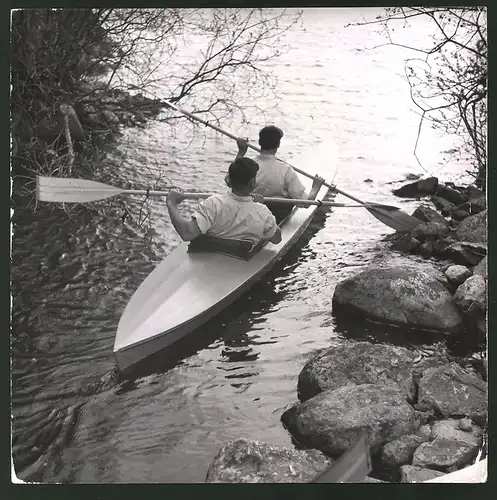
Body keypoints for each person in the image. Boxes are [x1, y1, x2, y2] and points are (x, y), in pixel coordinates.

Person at [166, 157, 282, 245]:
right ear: (252, 183)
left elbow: (187, 234)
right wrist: (258, 206)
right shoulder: (262, 212)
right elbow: (277, 239)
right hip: (240, 260)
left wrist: (171, 203)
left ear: (229, 180)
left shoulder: (213, 203)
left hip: (209, 260)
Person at [225, 126, 326, 222]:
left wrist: (241, 152)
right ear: (278, 145)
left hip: (247, 213)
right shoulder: (286, 170)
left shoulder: (247, 165)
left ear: (260, 142)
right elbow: (305, 203)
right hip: (275, 217)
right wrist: (316, 187)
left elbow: (229, 181)